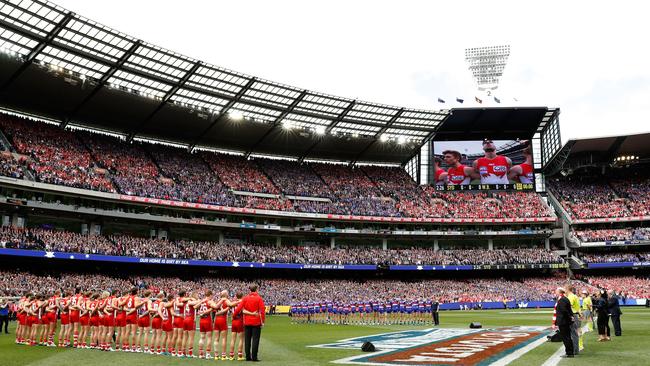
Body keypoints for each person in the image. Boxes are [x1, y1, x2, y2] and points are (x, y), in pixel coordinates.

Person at [233, 284, 265, 362]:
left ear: (249, 290)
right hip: (256, 322)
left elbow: (238, 309)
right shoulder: (259, 298)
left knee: (247, 340)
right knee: (255, 340)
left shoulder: (245, 298)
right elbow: (262, 311)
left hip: (247, 322)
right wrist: (263, 321)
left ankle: (248, 356)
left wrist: (234, 316)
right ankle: (254, 357)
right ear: (256, 289)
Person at [553, 287, 574, 358]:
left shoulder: (562, 300)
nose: (555, 292)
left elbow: (564, 311)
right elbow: (569, 310)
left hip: (563, 322)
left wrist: (569, 318)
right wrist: (570, 317)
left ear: (560, 292)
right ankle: (570, 352)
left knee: (566, 338)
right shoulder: (565, 299)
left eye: (556, 291)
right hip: (564, 321)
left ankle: (569, 353)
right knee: (567, 337)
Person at [566, 285, 581, 355]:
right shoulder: (574, 296)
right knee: (574, 333)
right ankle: (575, 349)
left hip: (573, 315)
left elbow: (569, 306)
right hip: (575, 314)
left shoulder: (571, 296)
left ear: (568, 289)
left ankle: (575, 350)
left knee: (573, 333)